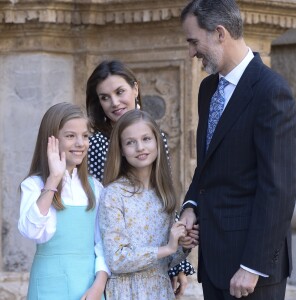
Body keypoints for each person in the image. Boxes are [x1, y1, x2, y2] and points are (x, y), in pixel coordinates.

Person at [179, 0, 296, 299]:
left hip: (252, 270)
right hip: (214, 261)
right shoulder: (207, 89)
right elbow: (207, 165)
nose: (191, 52)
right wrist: (191, 205)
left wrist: (253, 265)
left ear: (220, 33)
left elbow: (278, 188)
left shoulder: (272, 91)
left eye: (194, 41)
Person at [85, 59, 196, 296]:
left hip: (155, 269)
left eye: (120, 92)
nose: (114, 102)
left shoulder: (157, 139)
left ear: (135, 88)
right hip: (116, 262)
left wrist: (180, 261)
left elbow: (162, 198)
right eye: (105, 97)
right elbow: (97, 213)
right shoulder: (96, 144)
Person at [18, 102, 109, 300]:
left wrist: (99, 285)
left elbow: (103, 244)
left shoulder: (95, 188)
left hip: (89, 288)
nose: (80, 143)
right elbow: (31, 231)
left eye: (85, 136)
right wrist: (53, 180)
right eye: (70, 136)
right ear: (51, 140)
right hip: (49, 288)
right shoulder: (34, 185)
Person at [99, 109, 191, 300]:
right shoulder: (114, 194)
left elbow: (166, 260)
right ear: (122, 151)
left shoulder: (164, 193)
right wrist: (168, 248)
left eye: (146, 139)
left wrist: (184, 244)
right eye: (130, 142)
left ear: (157, 142)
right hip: (126, 291)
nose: (140, 147)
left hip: (160, 290)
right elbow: (116, 259)